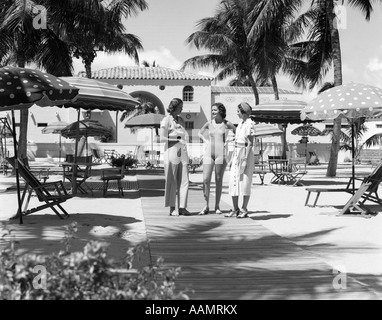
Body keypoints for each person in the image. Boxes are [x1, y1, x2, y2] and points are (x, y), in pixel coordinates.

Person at [198, 103, 236, 215]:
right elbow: (200, 132)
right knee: (205, 179)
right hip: (209, 153)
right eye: (212, 110)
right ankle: (206, 206)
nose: (213, 112)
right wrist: (206, 141)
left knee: (218, 180)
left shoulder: (226, 123)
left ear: (220, 111)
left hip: (221, 154)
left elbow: (236, 131)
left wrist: (231, 141)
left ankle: (217, 206)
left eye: (214, 110)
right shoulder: (209, 123)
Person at [159, 98, 191, 216]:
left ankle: (182, 207)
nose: (181, 110)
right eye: (179, 108)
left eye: (182, 108)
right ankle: (172, 208)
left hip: (183, 152)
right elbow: (162, 138)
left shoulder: (181, 120)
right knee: (172, 180)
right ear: (173, 107)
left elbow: (185, 137)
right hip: (171, 151)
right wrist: (176, 139)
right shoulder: (166, 120)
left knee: (185, 180)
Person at [225, 102, 256, 219]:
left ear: (243, 112)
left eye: (238, 111)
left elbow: (250, 143)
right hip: (237, 152)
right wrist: (233, 158)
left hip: (245, 153)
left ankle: (244, 208)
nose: (237, 113)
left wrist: (245, 158)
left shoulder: (250, 124)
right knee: (233, 181)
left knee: (245, 182)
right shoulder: (240, 124)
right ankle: (235, 208)